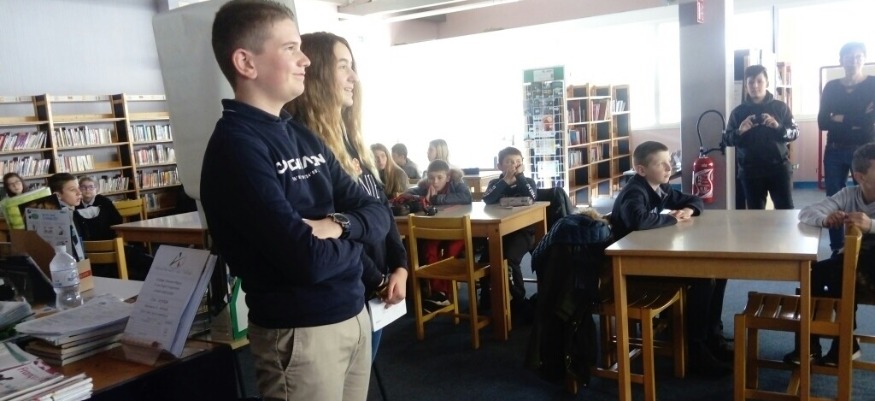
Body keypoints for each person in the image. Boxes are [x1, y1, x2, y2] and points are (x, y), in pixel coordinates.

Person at [202, 3, 390, 401]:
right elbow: (307, 260)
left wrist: (337, 226)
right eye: (290, 48)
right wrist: (355, 239)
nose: (305, 60)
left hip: (353, 314)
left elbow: (379, 214)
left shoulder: (301, 135)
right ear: (246, 62)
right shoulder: (237, 148)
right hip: (300, 333)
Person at [283, 31, 408, 360]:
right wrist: (378, 280)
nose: (354, 77)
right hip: (351, 288)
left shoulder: (352, 141)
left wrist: (400, 265)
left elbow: (380, 207)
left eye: (352, 66)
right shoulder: (304, 145)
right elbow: (324, 226)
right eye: (342, 66)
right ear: (318, 74)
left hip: (378, 287)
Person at [610, 141, 731, 377]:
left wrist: (688, 210)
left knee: (719, 272)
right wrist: (673, 219)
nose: (669, 168)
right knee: (704, 279)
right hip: (632, 267)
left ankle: (711, 335)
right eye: (661, 164)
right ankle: (695, 349)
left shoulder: (660, 188)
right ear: (641, 170)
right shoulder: (635, 192)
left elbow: (694, 199)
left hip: (651, 257)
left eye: (669, 162)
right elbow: (638, 220)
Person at [783, 143, 875, 367]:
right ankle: (819, 344)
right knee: (813, 273)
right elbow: (807, 212)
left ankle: (837, 342)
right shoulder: (849, 194)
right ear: (860, 177)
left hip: (868, 271)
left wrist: (870, 225)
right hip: (852, 267)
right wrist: (825, 219)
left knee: (836, 271)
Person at [819, 42, 875, 254]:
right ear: (841, 60)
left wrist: (839, 117)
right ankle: (838, 248)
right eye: (849, 57)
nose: (854, 61)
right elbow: (823, 121)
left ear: (864, 59)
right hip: (835, 149)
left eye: (859, 56)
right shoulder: (831, 87)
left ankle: (866, 245)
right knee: (834, 199)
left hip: (864, 150)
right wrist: (857, 118)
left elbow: (870, 120)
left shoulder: (872, 84)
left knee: (867, 193)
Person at [725, 64, 799, 210]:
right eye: (751, 82)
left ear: (767, 83)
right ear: (746, 86)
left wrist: (778, 127)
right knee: (755, 214)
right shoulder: (738, 112)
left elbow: (795, 132)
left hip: (779, 169)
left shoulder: (781, 107)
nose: (755, 86)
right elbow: (727, 140)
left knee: (785, 210)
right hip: (750, 172)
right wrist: (740, 131)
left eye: (759, 81)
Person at [406, 159, 472, 311]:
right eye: (431, 177)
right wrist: (423, 199)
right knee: (429, 249)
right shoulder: (425, 185)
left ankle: (444, 294)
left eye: (439, 177)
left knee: (449, 254)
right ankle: (439, 293)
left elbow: (466, 197)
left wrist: (436, 199)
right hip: (436, 230)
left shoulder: (457, 183)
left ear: (447, 177)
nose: (435, 182)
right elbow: (407, 194)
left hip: (458, 230)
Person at [481, 146, 537, 306]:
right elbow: (488, 199)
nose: (514, 165)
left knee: (509, 257)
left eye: (518, 162)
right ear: (500, 166)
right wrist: (505, 181)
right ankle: (487, 296)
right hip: (500, 231)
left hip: (523, 231)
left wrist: (520, 177)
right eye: (509, 162)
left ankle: (518, 298)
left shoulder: (527, 182)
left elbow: (532, 197)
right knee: (486, 258)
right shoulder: (495, 183)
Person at [75, 176, 122, 241]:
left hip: (107, 239)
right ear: (79, 189)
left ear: (96, 189)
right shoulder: (76, 204)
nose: (87, 189)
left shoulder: (104, 201)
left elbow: (117, 220)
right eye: (83, 187)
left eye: (91, 187)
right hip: (86, 242)